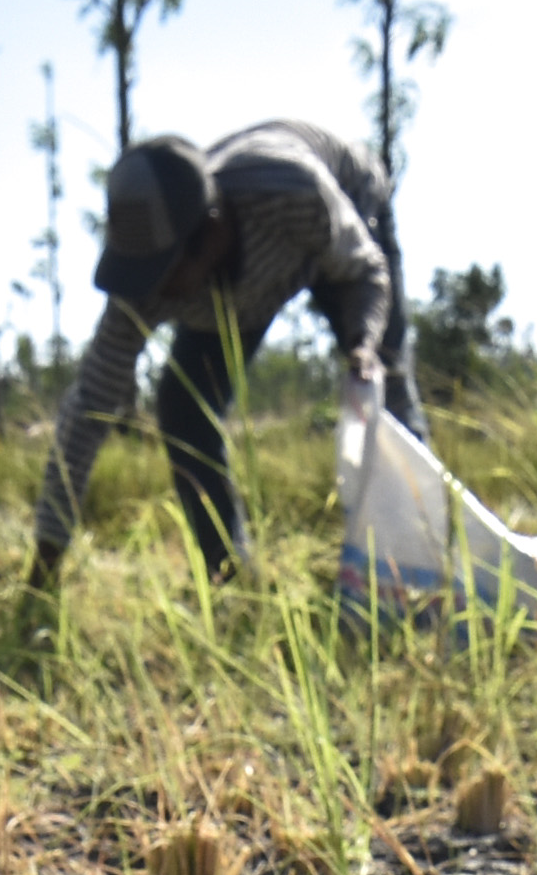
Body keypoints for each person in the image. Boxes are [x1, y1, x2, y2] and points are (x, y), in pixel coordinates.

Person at [28, 122, 424, 591]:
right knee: (183, 410)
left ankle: (423, 563)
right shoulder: (145, 279)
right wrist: (43, 572)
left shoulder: (292, 194)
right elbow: (88, 411)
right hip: (241, 282)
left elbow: (365, 271)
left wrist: (364, 342)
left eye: (164, 272)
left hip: (343, 219)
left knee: (386, 385)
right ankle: (231, 578)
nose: (154, 293)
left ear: (211, 231)